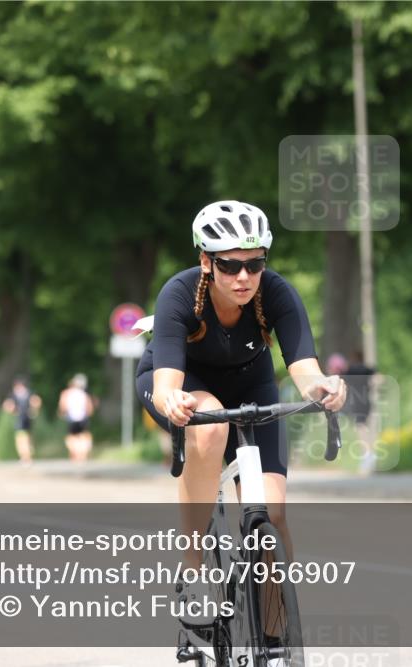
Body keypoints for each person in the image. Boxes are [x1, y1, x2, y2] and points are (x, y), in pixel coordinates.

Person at [134, 200, 347, 629]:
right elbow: (166, 386)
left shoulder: (278, 293)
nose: (244, 277)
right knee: (210, 424)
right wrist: (172, 402)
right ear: (206, 262)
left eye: (255, 264)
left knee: (273, 512)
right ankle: (194, 569)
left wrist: (322, 386)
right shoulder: (179, 293)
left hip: (252, 386)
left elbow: (304, 369)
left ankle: (273, 634)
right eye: (229, 266)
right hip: (182, 382)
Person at [3, 377, 42, 465]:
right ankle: (27, 455)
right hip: (28, 418)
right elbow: (36, 401)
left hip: (20, 418)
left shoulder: (15, 394)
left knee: (21, 438)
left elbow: (7, 405)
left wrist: (12, 410)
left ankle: (25, 456)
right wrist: (34, 410)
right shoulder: (29, 392)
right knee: (27, 437)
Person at [59, 373, 96, 462]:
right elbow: (89, 406)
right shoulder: (84, 393)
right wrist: (88, 414)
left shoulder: (66, 393)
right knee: (84, 435)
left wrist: (62, 413)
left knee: (72, 436)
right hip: (83, 417)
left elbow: (63, 405)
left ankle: (75, 453)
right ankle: (83, 454)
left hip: (71, 417)